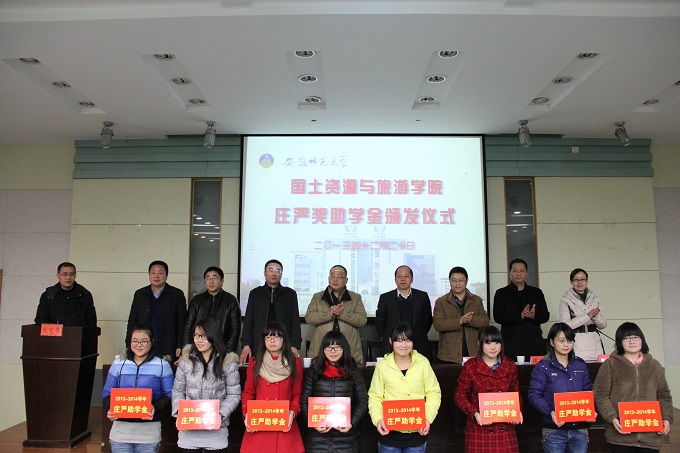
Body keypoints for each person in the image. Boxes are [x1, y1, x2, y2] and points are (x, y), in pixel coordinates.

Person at [593, 322, 673, 453]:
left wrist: (666, 418)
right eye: (626, 338)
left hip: (651, 436)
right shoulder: (610, 365)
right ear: (619, 342)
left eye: (636, 337)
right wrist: (612, 418)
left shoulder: (654, 365)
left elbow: (664, 395)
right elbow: (600, 394)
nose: (632, 341)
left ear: (642, 340)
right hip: (620, 435)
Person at [367, 323, 441, 453]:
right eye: (399, 341)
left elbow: (433, 393)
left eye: (408, 340)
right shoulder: (382, 366)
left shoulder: (423, 363)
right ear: (391, 341)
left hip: (416, 435)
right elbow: (374, 397)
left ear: (413, 342)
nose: (404, 345)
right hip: (389, 435)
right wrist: (378, 419)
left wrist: (427, 419)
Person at [172, 318, 241, 453]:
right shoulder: (186, 361)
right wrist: (180, 412)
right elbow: (177, 390)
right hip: (189, 428)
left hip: (216, 428)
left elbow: (234, 394)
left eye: (203, 336)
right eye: (196, 336)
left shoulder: (227, 362)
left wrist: (220, 415)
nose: (199, 340)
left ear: (213, 336)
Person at [102, 324, 174, 453]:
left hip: (149, 433)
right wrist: (110, 407)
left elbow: (170, 394)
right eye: (135, 341)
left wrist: (155, 407)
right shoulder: (119, 363)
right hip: (120, 432)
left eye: (144, 341)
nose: (139, 345)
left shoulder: (162, 365)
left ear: (152, 342)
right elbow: (107, 392)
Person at [528, 322, 596, 453]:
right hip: (554, 431)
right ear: (552, 342)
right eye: (561, 341)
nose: (566, 345)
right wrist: (551, 411)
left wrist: (590, 409)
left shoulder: (580, 365)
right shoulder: (543, 366)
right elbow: (534, 395)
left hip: (579, 429)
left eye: (570, 341)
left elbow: (588, 391)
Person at [454, 325, 521, 453]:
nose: (493, 347)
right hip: (479, 429)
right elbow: (460, 395)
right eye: (488, 343)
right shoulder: (471, 366)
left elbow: (515, 393)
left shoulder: (510, 365)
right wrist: (474, 413)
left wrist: (517, 412)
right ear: (479, 343)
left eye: (497, 342)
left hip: (505, 428)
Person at [241, 321, 305, 453]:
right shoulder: (255, 362)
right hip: (259, 424)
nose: (272, 340)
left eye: (276, 336)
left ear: (284, 339)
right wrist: (247, 415)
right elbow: (248, 393)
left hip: (284, 424)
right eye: (268, 337)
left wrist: (292, 413)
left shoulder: (294, 362)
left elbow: (297, 394)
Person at [300, 330, 368, 453]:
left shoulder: (353, 371)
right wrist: (313, 423)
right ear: (323, 349)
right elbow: (304, 400)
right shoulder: (314, 370)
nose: (333, 351)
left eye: (337, 347)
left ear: (344, 349)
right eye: (328, 347)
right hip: (318, 439)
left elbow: (362, 401)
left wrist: (351, 423)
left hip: (346, 439)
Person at [240, 259, 302, 364]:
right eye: (270, 270)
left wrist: (294, 345)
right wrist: (246, 344)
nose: (274, 273)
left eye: (278, 271)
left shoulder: (290, 294)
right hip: (259, 342)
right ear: (264, 273)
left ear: (281, 275)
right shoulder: (255, 293)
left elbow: (295, 322)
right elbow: (248, 321)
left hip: (283, 342)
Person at [305, 265, 367, 366]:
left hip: (349, 347)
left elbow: (362, 320)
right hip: (322, 347)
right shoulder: (317, 297)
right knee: (319, 373)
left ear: (346, 280)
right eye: (332, 276)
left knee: (350, 373)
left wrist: (342, 314)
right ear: (328, 279)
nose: (335, 280)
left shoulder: (355, 297)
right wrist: (329, 314)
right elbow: (309, 318)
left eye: (339, 277)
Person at [127, 260, 187, 360]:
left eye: (160, 273)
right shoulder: (140, 294)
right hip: (144, 344)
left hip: (168, 344)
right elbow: (132, 321)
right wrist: (129, 343)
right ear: (149, 275)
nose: (156, 276)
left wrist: (180, 345)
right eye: (153, 273)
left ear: (166, 275)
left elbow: (182, 323)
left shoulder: (177, 294)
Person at [493, 258, 550, 360]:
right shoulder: (501, 293)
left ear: (526, 273)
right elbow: (498, 317)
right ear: (510, 273)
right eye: (515, 271)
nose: (518, 274)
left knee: (537, 369)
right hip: (510, 343)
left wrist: (534, 316)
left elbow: (545, 316)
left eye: (522, 271)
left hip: (534, 342)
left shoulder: (536, 292)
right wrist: (520, 316)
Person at [375, 265, 433, 361]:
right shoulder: (385, 298)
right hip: (393, 346)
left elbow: (427, 321)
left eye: (406, 276)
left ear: (412, 279)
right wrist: (392, 338)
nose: (403, 279)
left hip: (418, 345)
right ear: (395, 279)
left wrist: (417, 335)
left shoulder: (422, 296)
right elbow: (379, 322)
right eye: (399, 276)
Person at [433, 266, 489, 363]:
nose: (457, 284)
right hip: (449, 355)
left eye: (461, 280)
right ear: (450, 282)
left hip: (473, 352)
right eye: (454, 280)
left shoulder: (476, 300)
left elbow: (485, 320)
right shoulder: (441, 301)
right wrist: (459, 321)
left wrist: (471, 320)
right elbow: (438, 324)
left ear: (466, 281)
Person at [183, 266, 240, 353]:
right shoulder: (197, 300)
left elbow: (235, 330)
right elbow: (188, 326)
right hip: (199, 349)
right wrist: (187, 351)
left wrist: (228, 352)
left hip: (222, 350)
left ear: (222, 281)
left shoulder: (231, 300)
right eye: (207, 278)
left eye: (214, 278)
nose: (211, 281)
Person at [559, 268, 607, 361]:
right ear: (571, 281)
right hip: (577, 340)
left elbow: (603, 325)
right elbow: (565, 326)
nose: (579, 282)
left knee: (597, 368)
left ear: (587, 281)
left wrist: (595, 315)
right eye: (576, 280)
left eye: (582, 279)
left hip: (595, 340)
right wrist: (588, 316)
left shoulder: (595, 299)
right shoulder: (565, 300)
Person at [35, 262, 97, 327]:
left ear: (75, 275)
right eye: (64, 274)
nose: (68, 278)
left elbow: (91, 321)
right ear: (58, 276)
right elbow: (40, 319)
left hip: (78, 333)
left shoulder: (84, 295)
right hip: (55, 333)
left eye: (72, 274)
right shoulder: (49, 295)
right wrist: (57, 329)